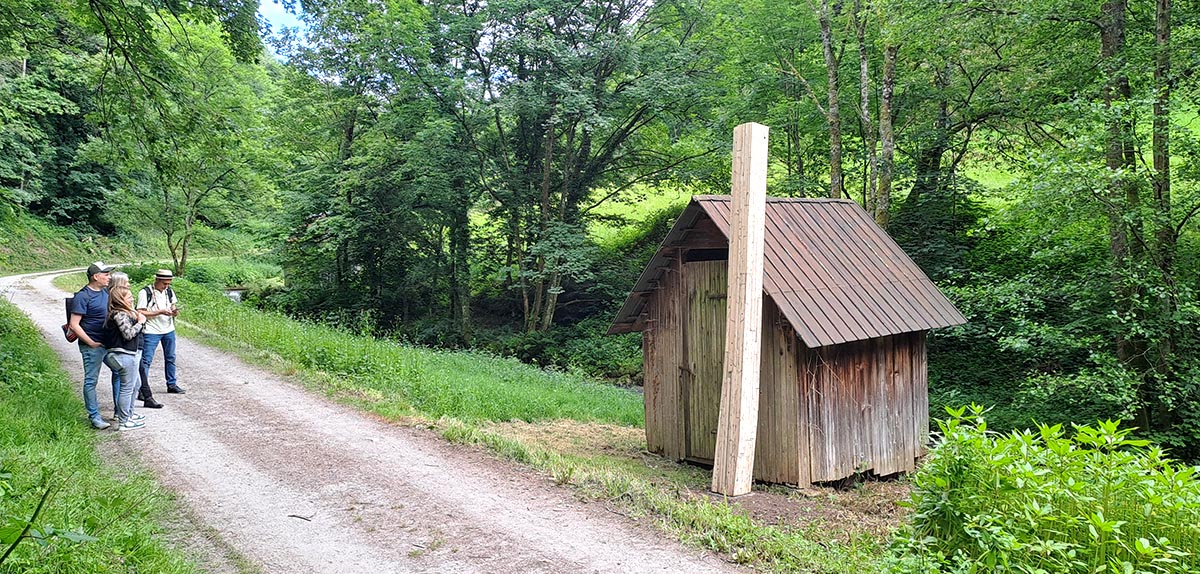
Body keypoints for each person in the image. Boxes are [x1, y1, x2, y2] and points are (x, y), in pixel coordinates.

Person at [67, 262, 119, 429]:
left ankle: (119, 411)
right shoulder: (83, 296)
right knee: (91, 380)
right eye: (106, 274)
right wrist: (91, 342)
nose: (109, 277)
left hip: (107, 343)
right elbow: (74, 324)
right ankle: (94, 416)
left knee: (119, 371)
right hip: (92, 346)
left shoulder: (106, 292)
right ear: (95, 276)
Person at [102, 275, 147, 431]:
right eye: (128, 297)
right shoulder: (119, 314)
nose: (132, 298)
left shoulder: (118, 313)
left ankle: (128, 415)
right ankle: (124, 421)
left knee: (135, 385)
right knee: (127, 388)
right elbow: (128, 334)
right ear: (121, 299)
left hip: (123, 354)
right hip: (124, 354)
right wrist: (140, 323)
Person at [138, 269, 183, 398]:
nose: (166, 286)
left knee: (171, 357)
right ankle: (142, 389)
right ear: (157, 280)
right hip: (151, 330)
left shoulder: (169, 291)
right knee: (146, 360)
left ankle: (172, 384)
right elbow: (140, 312)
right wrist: (159, 312)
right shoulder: (145, 292)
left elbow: (173, 305)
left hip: (168, 328)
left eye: (168, 283)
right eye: (164, 283)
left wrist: (174, 311)